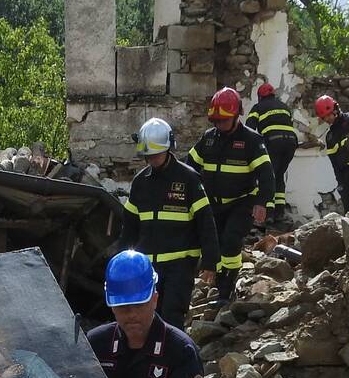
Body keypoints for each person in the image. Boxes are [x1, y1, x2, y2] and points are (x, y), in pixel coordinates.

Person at [120, 117, 219, 329]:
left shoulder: (189, 179)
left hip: (180, 265)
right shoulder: (140, 182)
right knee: (149, 319)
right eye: (148, 156)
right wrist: (121, 260)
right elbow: (129, 226)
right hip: (148, 266)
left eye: (156, 154)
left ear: (168, 148)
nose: (152, 159)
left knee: (172, 316)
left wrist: (210, 262)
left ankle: (174, 359)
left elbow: (206, 222)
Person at [187, 87, 274, 306]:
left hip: (241, 202)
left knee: (231, 241)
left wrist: (262, 202)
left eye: (223, 120)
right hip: (213, 203)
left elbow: (266, 173)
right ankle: (215, 283)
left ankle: (226, 292)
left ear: (236, 116)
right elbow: (189, 167)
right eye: (215, 121)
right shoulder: (208, 139)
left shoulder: (252, 140)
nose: (219, 125)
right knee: (212, 243)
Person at [247, 83, 299, 223]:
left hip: (273, 142)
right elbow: (290, 126)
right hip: (291, 143)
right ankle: (280, 212)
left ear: (260, 96)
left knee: (269, 175)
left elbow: (248, 129)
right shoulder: (284, 107)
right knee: (279, 175)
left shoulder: (258, 108)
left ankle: (268, 214)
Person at [315, 94, 349, 212]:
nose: (328, 119)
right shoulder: (330, 136)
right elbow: (334, 163)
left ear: (336, 109)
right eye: (324, 117)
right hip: (346, 175)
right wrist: (340, 183)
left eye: (329, 115)